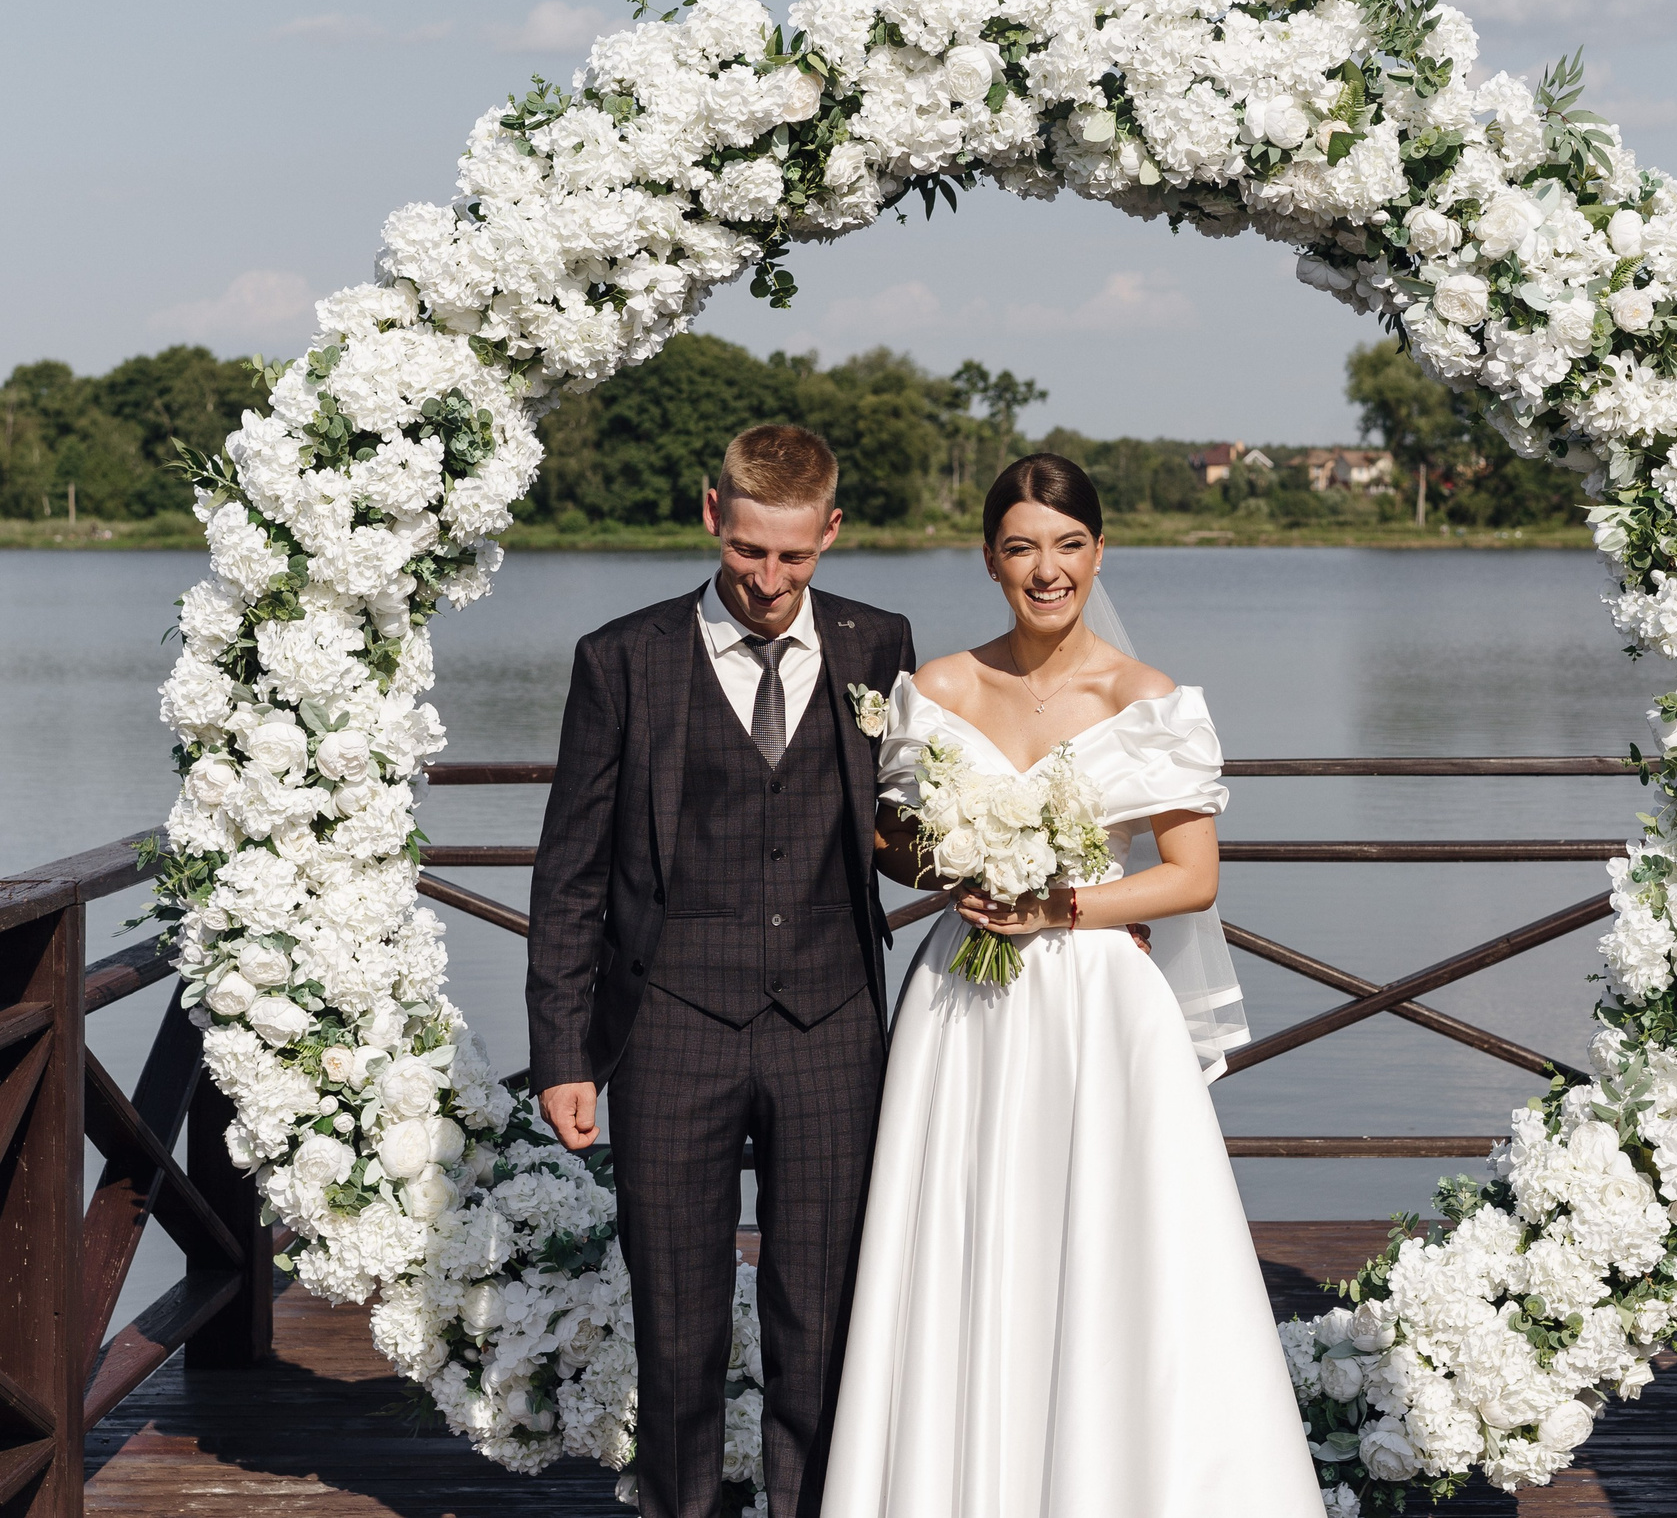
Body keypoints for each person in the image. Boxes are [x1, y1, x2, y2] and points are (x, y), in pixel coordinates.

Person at [821, 453, 1321, 1518]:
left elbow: (1191, 877)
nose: (1046, 569)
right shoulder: (938, 690)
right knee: (958, 1237)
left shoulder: (1148, 700)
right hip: (964, 1004)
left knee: (1110, 1244)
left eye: (1066, 544)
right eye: (1019, 547)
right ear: (988, 558)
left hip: (1099, 1002)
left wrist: (1058, 908)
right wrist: (962, 860)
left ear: (1099, 551)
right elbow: (895, 846)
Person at [526, 424, 916, 1518]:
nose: (768, 580)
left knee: (821, 1316)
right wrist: (565, 1050)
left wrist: (1058, 903)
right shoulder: (623, 657)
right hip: (670, 1024)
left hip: (833, 1022)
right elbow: (571, 870)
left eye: (793, 557)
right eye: (749, 551)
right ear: (713, 515)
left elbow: (916, 820)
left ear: (830, 531)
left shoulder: (879, 643)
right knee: (678, 1317)